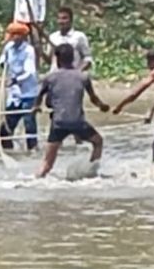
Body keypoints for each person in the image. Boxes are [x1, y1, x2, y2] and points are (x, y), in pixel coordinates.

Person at [34, 42, 110, 178]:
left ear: (57, 59)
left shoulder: (50, 78)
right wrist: (102, 106)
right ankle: (91, 171)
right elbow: (94, 98)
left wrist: (36, 107)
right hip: (77, 122)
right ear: (73, 58)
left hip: (58, 123)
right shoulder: (83, 77)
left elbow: (39, 96)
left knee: (47, 164)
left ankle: (38, 178)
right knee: (98, 142)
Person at [0, 22, 39, 151]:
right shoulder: (9, 48)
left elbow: (29, 72)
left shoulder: (28, 50)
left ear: (22, 36)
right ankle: (8, 151)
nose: (12, 37)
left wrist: (16, 80)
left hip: (28, 94)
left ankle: (33, 151)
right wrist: (2, 63)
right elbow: (2, 60)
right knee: (6, 128)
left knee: (29, 126)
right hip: (13, 95)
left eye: (15, 34)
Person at [48, 7, 92, 71]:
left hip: (73, 75)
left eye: (64, 18)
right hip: (55, 75)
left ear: (71, 20)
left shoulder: (79, 36)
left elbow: (88, 58)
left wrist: (77, 72)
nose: (61, 21)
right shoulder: (53, 37)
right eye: (59, 18)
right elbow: (49, 60)